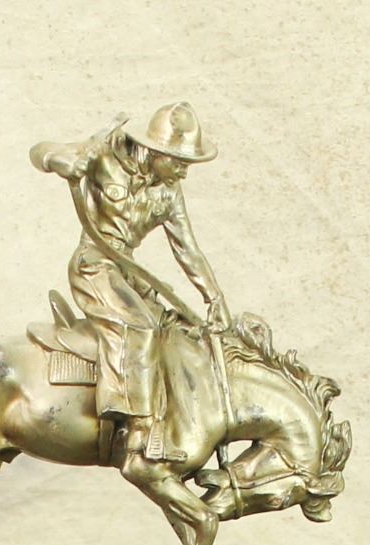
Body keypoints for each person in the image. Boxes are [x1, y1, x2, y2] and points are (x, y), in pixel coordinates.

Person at [30, 103, 228, 472]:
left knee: (174, 332)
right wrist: (60, 161)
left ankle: (168, 419)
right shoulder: (105, 158)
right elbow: (41, 150)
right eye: (179, 162)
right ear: (156, 152)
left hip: (128, 271)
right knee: (140, 327)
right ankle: (136, 429)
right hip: (94, 266)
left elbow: (187, 248)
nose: (184, 171)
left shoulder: (169, 193)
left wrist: (213, 297)